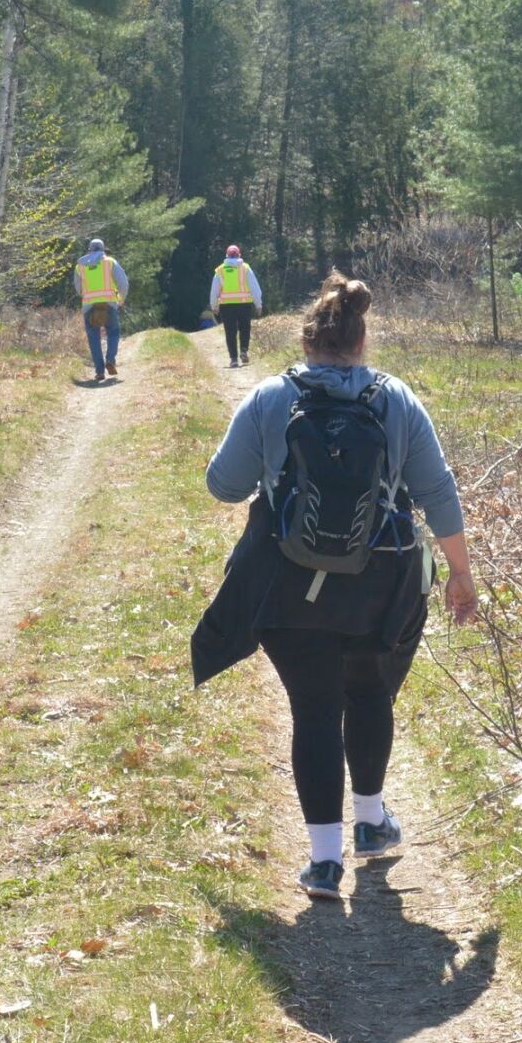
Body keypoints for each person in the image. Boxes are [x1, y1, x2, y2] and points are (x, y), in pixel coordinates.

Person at [191, 272, 478, 901]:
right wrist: (460, 574)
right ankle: (371, 824)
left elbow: (223, 486)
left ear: (307, 340)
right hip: (382, 582)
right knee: (370, 691)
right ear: (361, 338)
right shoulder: (397, 398)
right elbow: (438, 493)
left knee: (314, 709)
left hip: (288, 585)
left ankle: (324, 862)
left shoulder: (270, 397)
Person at [74, 237, 128, 381]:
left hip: (89, 306)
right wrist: (121, 299)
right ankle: (110, 359)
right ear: (103, 249)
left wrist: (87, 295)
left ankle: (99, 372)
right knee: (113, 332)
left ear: (89, 250)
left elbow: (78, 288)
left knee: (93, 338)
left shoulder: (80, 265)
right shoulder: (110, 262)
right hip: (109, 303)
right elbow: (123, 284)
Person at [209, 244, 262, 368]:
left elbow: (214, 290)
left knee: (230, 332)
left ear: (226, 256)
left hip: (226, 306)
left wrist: (214, 306)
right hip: (244, 304)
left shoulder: (220, 270)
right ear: (239, 255)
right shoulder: (245, 268)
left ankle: (233, 359)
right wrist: (258, 304)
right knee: (245, 328)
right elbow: (255, 288)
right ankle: (243, 350)